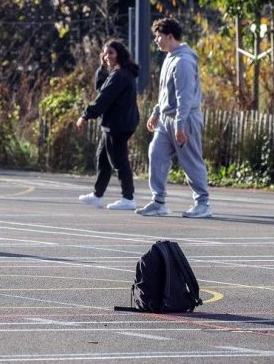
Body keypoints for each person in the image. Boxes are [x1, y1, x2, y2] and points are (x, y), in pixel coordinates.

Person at [135, 17, 212, 218]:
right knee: (156, 153)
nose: (156, 41)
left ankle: (203, 203)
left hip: (185, 119)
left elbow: (184, 97)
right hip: (167, 119)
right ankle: (158, 202)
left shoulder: (183, 61)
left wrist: (180, 125)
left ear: (170, 36)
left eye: (158, 37)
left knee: (191, 160)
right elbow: (165, 92)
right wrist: (156, 112)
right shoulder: (170, 57)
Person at [76, 40, 140, 210]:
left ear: (119, 54)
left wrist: (85, 115)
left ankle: (128, 198)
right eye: (104, 53)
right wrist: (102, 67)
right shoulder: (118, 73)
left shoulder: (120, 75)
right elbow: (101, 88)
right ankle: (97, 195)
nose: (107, 56)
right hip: (115, 124)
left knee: (118, 160)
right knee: (103, 159)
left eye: (111, 53)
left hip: (118, 124)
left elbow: (103, 98)